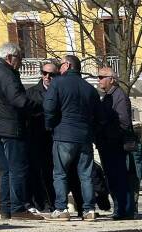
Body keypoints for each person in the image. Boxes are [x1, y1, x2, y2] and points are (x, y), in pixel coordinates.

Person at [0, 42, 40, 220]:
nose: (20, 63)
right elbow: (19, 100)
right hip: (11, 128)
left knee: (6, 170)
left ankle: (5, 208)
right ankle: (18, 207)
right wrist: (39, 106)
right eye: (19, 59)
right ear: (9, 58)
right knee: (18, 169)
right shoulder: (6, 73)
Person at [43, 54, 101, 221]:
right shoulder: (89, 88)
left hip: (63, 134)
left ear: (67, 65)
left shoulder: (58, 83)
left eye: (60, 65)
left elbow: (49, 107)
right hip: (84, 137)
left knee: (60, 173)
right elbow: (97, 115)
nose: (59, 68)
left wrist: (50, 125)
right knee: (86, 174)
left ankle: (61, 209)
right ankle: (89, 210)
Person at [97, 66, 133, 219]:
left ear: (111, 79)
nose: (98, 80)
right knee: (112, 178)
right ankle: (120, 209)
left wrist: (105, 128)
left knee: (119, 178)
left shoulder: (119, 96)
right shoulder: (108, 96)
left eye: (101, 77)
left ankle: (124, 210)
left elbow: (123, 122)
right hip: (108, 144)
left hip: (115, 145)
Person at [25, 59, 58, 214]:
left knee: (55, 174)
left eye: (51, 74)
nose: (47, 77)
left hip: (55, 139)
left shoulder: (61, 91)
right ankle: (43, 203)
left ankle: (55, 203)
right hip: (37, 140)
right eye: (44, 73)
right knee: (39, 173)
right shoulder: (31, 94)